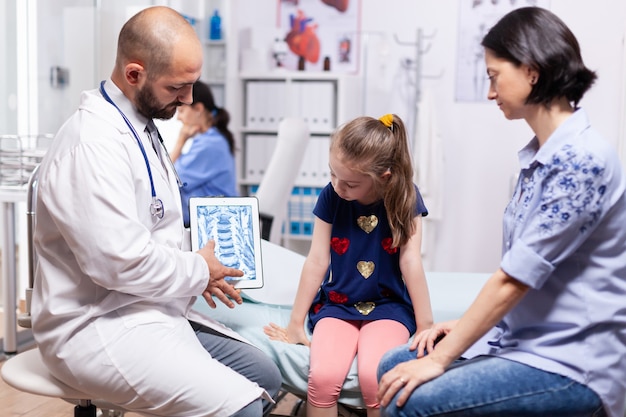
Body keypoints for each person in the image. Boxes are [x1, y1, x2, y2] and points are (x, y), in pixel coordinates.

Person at [30, 6, 281, 417]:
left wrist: (202, 266)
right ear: (134, 74)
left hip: (147, 306)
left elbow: (156, 221)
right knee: (246, 407)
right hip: (96, 326)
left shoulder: (140, 125)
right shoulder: (93, 145)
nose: (187, 100)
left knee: (265, 376)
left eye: (192, 86)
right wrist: (198, 269)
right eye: (177, 88)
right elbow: (120, 263)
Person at [377, 7, 626, 417]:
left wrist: (441, 358)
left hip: (572, 361)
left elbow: (513, 280)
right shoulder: (541, 158)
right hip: (527, 341)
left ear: (531, 71)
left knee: (410, 399)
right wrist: (469, 329)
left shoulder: (582, 161)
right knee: (394, 362)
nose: (490, 92)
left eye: (494, 76)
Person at [264, 114, 433, 417]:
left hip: (388, 307)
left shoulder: (405, 197)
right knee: (324, 377)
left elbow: (411, 262)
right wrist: (295, 323)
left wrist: (425, 326)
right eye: (332, 175)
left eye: (350, 183)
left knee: (374, 377)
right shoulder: (332, 195)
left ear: (384, 176)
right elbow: (317, 260)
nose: (338, 186)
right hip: (338, 305)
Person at [170, 80, 238, 228]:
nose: (178, 117)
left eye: (181, 111)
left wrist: (180, 141)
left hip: (214, 224)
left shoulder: (209, 145)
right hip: (207, 219)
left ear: (198, 108)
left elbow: (168, 177)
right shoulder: (210, 139)